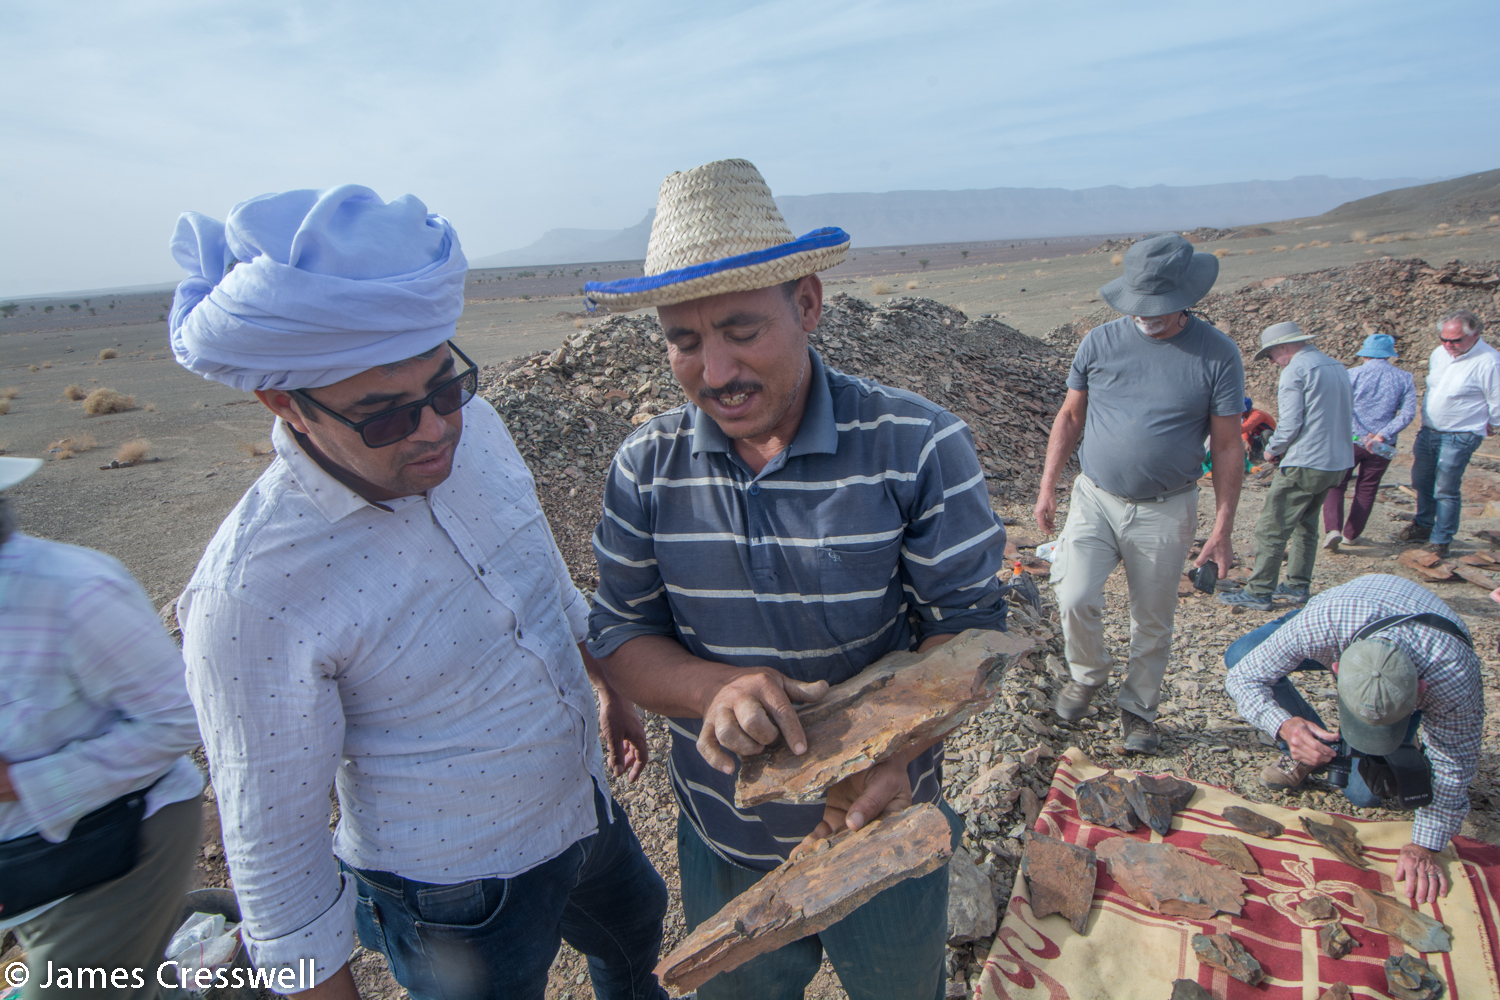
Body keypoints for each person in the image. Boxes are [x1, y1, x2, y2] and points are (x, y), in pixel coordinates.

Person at [170, 186, 668, 1000]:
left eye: (445, 388)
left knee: (636, 940)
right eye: (384, 417)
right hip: (460, 898)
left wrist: (608, 683)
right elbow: (278, 868)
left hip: (584, 804)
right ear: (285, 404)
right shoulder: (253, 595)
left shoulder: (481, 429)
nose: (436, 428)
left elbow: (537, 566)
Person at [584, 159, 1009, 1000]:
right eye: (684, 341)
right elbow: (620, 636)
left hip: (883, 830)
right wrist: (714, 691)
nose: (715, 372)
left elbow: (970, 633)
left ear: (808, 304)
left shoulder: (917, 446)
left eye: (741, 330)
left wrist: (894, 754)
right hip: (725, 842)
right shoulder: (646, 467)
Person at [0, 456, 205, 1000]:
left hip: (115, 848)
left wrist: (21, 781)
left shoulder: (75, 592)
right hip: (26, 863)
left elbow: (182, 717)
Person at [1035, 233, 1245, 752]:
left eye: (1159, 305)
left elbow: (1226, 446)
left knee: (1152, 618)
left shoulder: (1218, 355)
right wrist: (1048, 487)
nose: (1146, 315)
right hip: (1095, 497)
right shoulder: (1098, 343)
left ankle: (1138, 710)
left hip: (1166, 508)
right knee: (1074, 593)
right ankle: (1088, 674)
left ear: (1186, 299)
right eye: (1137, 303)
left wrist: (1223, 526)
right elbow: (1070, 416)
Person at [1224, 574, 1483, 905]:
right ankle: (1311, 747)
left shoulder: (1453, 677)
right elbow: (1244, 677)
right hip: (1349, 612)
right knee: (1242, 653)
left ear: (1420, 691)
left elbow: (1454, 761)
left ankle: (1400, 744)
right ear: (1336, 668)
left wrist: (1425, 845)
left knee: (1363, 793)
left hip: (1426, 634)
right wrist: (1285, 726)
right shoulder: (1320, 628)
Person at [1219, 323, 1352, 611]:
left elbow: (1291, 422)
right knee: (1306, 524)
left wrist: (1273, 450)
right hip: (1337, 461)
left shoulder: (1296, 370)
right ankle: (1296, 585)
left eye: (1270, 355)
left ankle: (1259, 591)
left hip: (1307, 460)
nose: (1271, 361)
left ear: (1283, 346)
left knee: (1272, 527)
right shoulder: (1336, 366)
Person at [1393, 310, 1500, 557]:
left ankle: (1441, 540)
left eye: (1456, 340)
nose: (1449, 345)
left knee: (1445, 488)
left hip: (1461, 434)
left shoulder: (1489, 361)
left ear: (1475, 335)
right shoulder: (1439, 354)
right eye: (1444, 339)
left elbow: (1497, 399)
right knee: (1421, 481)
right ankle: (1423, 525)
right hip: (1430, 429)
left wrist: (1493, 424)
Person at [1323, 333, 1416, 551]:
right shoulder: (1404, 378)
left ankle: (1333, 529)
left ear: (1365, 354)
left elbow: (1339, 405)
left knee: (1336, 484)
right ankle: (1351, 535)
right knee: (1367, 488)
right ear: (1389, 355)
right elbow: (1408, 413)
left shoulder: (1351, 374)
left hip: (1349, 439)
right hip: (1382, 445)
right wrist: (1382, 434)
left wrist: (1357, 433)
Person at [1241, 397, 1276, 466]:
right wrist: (1246, 441)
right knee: (1243, 440)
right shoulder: (1245, 417)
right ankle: (1255, 455)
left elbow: (1246, 427)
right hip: (1256, 437)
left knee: (1266, 433)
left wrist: (1227, 431)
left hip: (1269, 437)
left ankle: (1271, 454)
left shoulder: (1257, 414)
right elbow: (1245, 430)